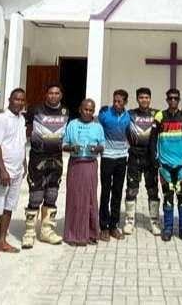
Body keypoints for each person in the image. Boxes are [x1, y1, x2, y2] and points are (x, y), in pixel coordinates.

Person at [22, 84, 67, 248]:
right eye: (51, 93)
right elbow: (22, 127)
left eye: (57, 93)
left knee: (52, 194)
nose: (53, 96)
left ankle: (47, 231)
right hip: (37, 159)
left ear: (61, 95)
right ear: (46, 94)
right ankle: (29, 233)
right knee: (36, 196)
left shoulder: (66, 112)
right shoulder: (35, 110)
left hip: (56, 159)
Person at [0, 88, 27, 257]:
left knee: (9, 207)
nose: (19, 102)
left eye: (22, 100)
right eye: (16, 99)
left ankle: (1, 241)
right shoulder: (2, 118)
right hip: (2, 173)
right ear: (10, 100)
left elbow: (21, 143)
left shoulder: (21, 119)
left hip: (17, 171)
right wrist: (2, 170)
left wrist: (24, 163)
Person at [151, 88, 182, 242]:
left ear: (179, 100)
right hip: (165, 165)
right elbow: (153, 139)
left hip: (181, 165)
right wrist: (154, 158)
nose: (173, 101)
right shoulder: (160, 116)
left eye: (176, 98)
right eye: (170, 98)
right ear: (167, 100)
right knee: (168, 197)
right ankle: (168, 228)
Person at [62, 99, 105, 245]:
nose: (88, 112)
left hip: (90, 164)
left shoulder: (98, 127)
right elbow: (64, 144)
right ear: (80, 109)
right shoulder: (72, 125)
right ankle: (73, 235)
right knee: (75, 198)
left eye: (91, 110)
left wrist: (96, 148)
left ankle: (91, 234)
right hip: (76, 165)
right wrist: (72, 148)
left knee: (90, 198)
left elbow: (102, 145)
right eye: (85, 109)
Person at [124, 88, 160, 235]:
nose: (144, 100)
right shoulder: (130, 114)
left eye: (146, 97)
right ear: (137, 99)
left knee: (153, 190)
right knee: (131, 189)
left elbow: (170, 122)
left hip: (151, 158)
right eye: (141, 97)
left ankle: (154, 221)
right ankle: (129, 220)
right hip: (134, 156)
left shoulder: (157, 114)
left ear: (150, 99)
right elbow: (118, 120)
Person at [97, 90, 131, 240]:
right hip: (107, 157)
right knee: (105, 192)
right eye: (114, 101)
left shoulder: (128, 116)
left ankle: (114, 226)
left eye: (119, 101)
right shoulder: (105, 114)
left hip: (122, 157)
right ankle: (103, 227)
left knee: (117, 192)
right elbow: (97, 129)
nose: (116, 104)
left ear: (125, 102)